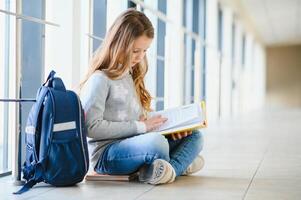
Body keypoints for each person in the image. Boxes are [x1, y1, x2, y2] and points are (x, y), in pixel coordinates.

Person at [79, 9, 204, 185]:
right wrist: (142, 127)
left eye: (145, 50)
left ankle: (169, 169)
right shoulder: (100, 79)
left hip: (134, 142)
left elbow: (138, 121)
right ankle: (177, 164)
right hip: (107, 154)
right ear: (119, 44)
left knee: (195, 137)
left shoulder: (131, 76)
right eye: (136, 50)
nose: (140, 57)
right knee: (156, 144)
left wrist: (170, 128)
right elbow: (91, 128)